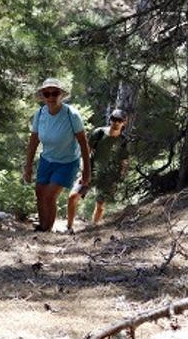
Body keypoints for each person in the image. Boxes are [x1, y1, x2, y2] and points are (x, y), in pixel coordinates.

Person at [23, 78, 91, 232]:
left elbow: (83, 142)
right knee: (40, 192)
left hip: (67, 162)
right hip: (46, 160)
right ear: (43, 96)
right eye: (47, 93)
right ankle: (42, 226)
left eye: (55, 93)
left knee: (49, 195)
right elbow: (33, 141)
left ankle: (47, 230)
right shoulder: (40, 114)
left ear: (61, 95)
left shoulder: (71, 114)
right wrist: (27, 167)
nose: (51, 96)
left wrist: (87, 170)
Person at [66, 108, 129, 232]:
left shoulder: (123, 140)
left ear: (124, 122)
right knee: (73, 197)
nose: (116, 122)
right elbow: (86, 152)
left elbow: (123, 160)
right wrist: (84, 171)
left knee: (100, 205)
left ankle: (93, 228)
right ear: (110, 120)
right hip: (91, 171)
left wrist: (120, 175)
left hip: (108, 176)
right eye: (113, 119)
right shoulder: (99, 133)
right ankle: (69, 227)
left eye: (119, 120)